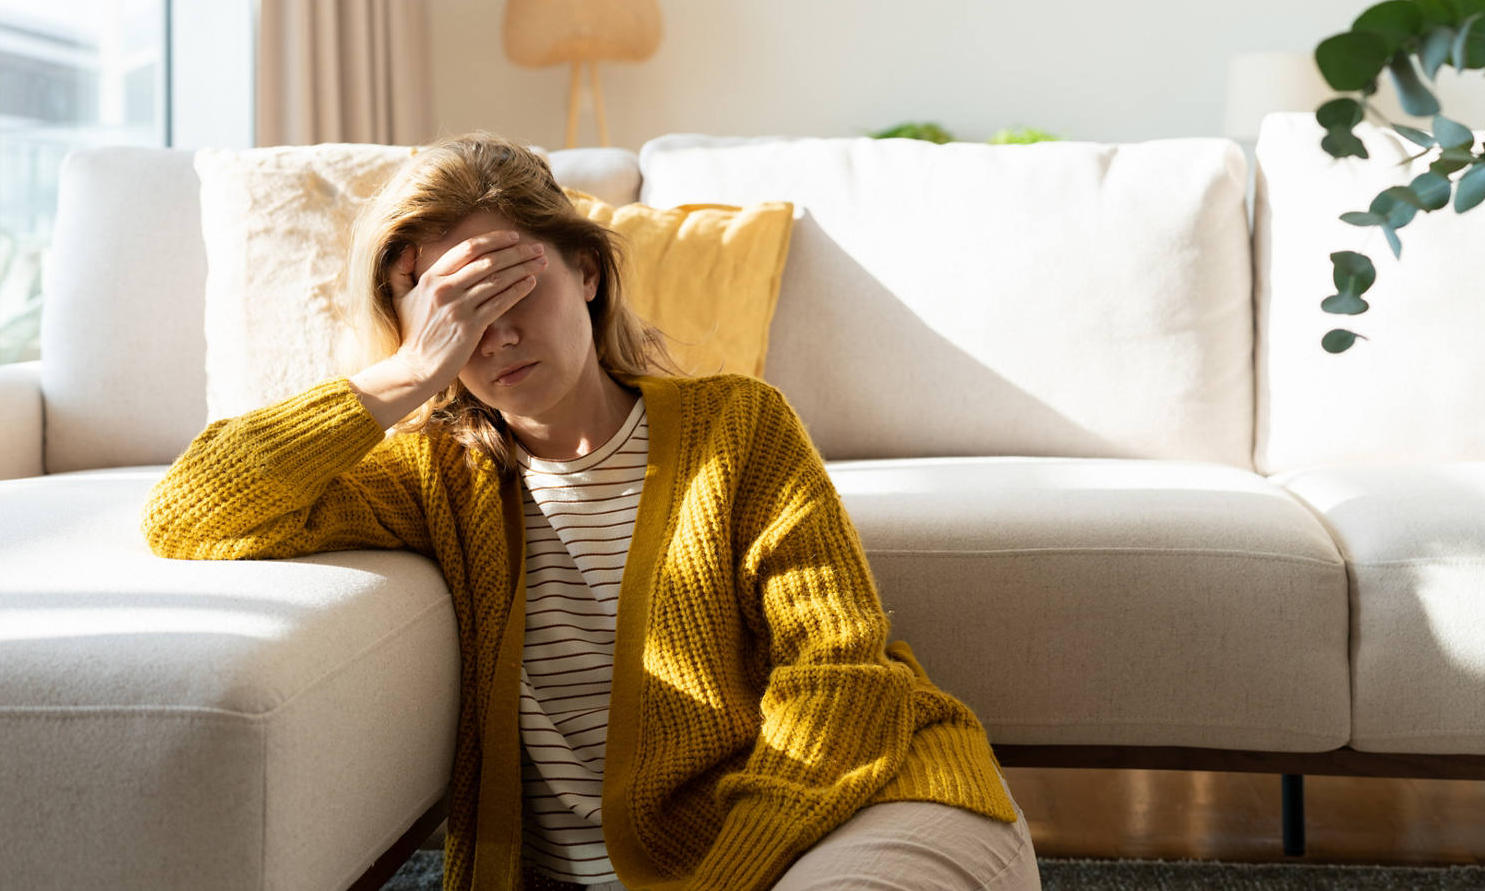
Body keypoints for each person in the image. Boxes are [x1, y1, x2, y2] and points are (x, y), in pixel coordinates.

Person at [141, 131, 1041, 891]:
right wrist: (408, 374)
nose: (492, 331)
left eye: (508, 282)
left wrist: (729, 879)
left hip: (854, 800)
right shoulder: (432, 475)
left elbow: (840, 673)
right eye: (454, 308)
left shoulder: (738, 424)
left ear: (586, 269)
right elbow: (190, 510)